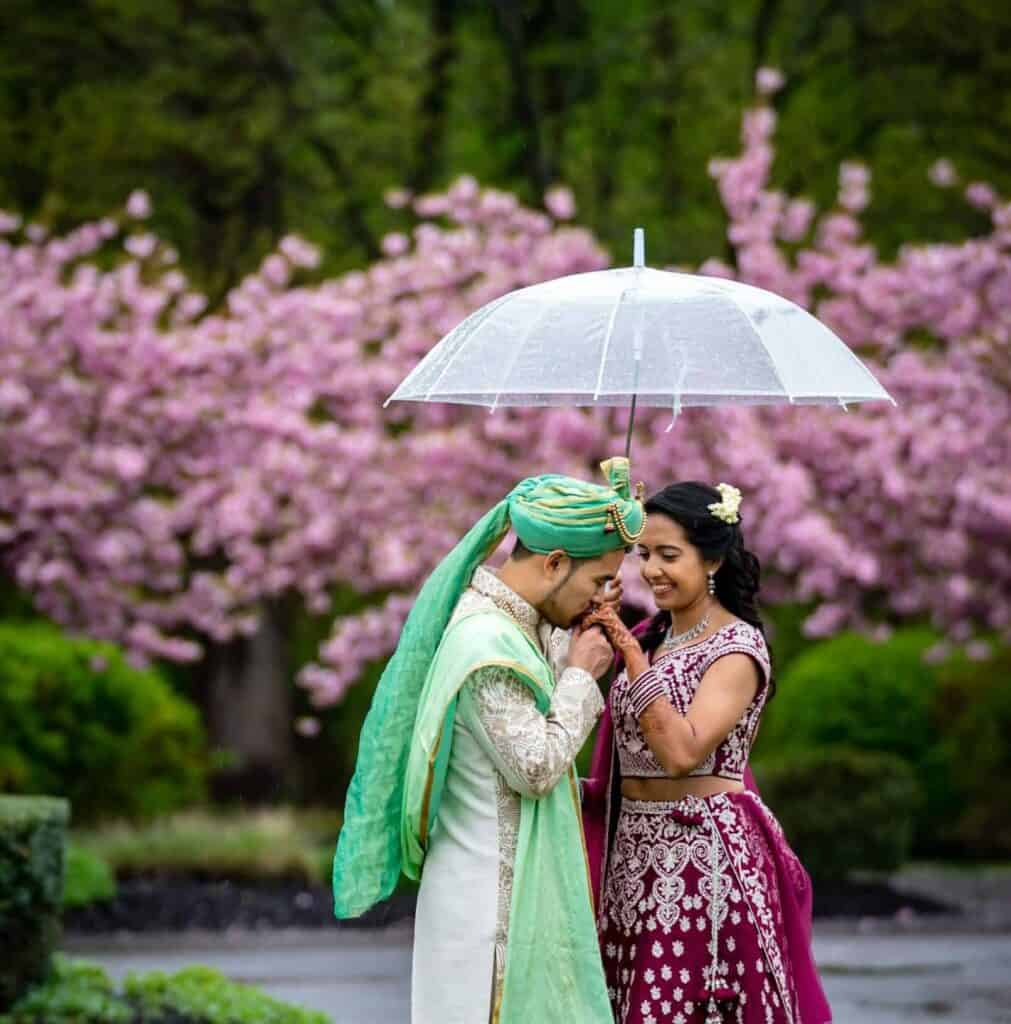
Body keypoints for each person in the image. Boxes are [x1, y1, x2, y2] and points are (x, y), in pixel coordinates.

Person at [332, 458, 647, 1024]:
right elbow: (537, 765)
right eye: (597, 580)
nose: (604, 596)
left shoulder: (517, 625)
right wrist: (583, 673)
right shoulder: (486, 643)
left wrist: (574, 640)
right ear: (554, 562)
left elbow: (539, 702)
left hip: (502, 897)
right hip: (488, 911)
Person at [582, 481, 832, 1024]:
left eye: (670, 556)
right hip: (632, 856)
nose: (651, 571)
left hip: (703, 859)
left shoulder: (737, 649)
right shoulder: (652, 636)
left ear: (713, 559)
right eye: (644, 554)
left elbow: (682, 752)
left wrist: (629, 655)